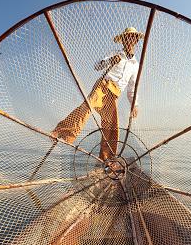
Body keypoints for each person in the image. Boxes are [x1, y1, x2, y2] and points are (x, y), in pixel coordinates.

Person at [51, 27, 143, 161]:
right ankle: (61, 133)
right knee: (87, 107)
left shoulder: (135, 64)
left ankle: (106, 159)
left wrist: (134, 104)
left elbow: (132, 87)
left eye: (131, 37)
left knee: (111, 126)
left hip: (114, 94)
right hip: (103, 85)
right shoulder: (115, 53)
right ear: (122, 41)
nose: (128, 40)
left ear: (135, 40)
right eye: (126, 38)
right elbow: (97, 66)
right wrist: (109, 61)